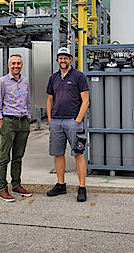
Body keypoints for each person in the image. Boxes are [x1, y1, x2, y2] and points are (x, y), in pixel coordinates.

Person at [46, 47, 90, 202]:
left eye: (65, 58)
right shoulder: (53, 78)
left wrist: (78, 120)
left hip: (73, 120)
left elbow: (85, 100)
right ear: (57, 60)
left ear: (70, 59)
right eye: (60, 58)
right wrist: (50, 119)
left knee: (78, 153)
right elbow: (50, 99)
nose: (63, 61)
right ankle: (60, 184)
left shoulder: (79, 76)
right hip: (56, 121)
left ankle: (82, 187)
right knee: (58, 153)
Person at [0, 54, 32, 202]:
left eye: (18, 63)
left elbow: (27, 101)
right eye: (13, 63)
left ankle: (16, 184)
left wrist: (28, 118)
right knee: (4, 156)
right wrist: (0, 123)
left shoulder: (25, 82)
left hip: (23, 123)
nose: (16, 66)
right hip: (8, 122)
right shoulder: (2, 82)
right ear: (9, 65)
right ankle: (2, 188)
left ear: (21, 65)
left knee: (18, 156)